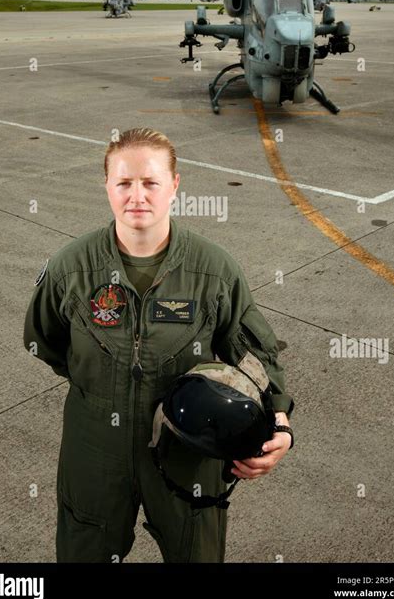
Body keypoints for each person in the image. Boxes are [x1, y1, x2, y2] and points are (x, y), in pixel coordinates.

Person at [23, 127, 294, 563]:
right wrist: (100, 383)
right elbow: (45, 341)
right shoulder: (70, 268)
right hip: (93, 447)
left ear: (174, 186)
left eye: (150, 182)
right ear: (106, 186)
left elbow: (254, 355)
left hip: (189, 443)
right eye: (123, 182)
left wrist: (279, 425)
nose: (137, 196)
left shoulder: (214, 270)